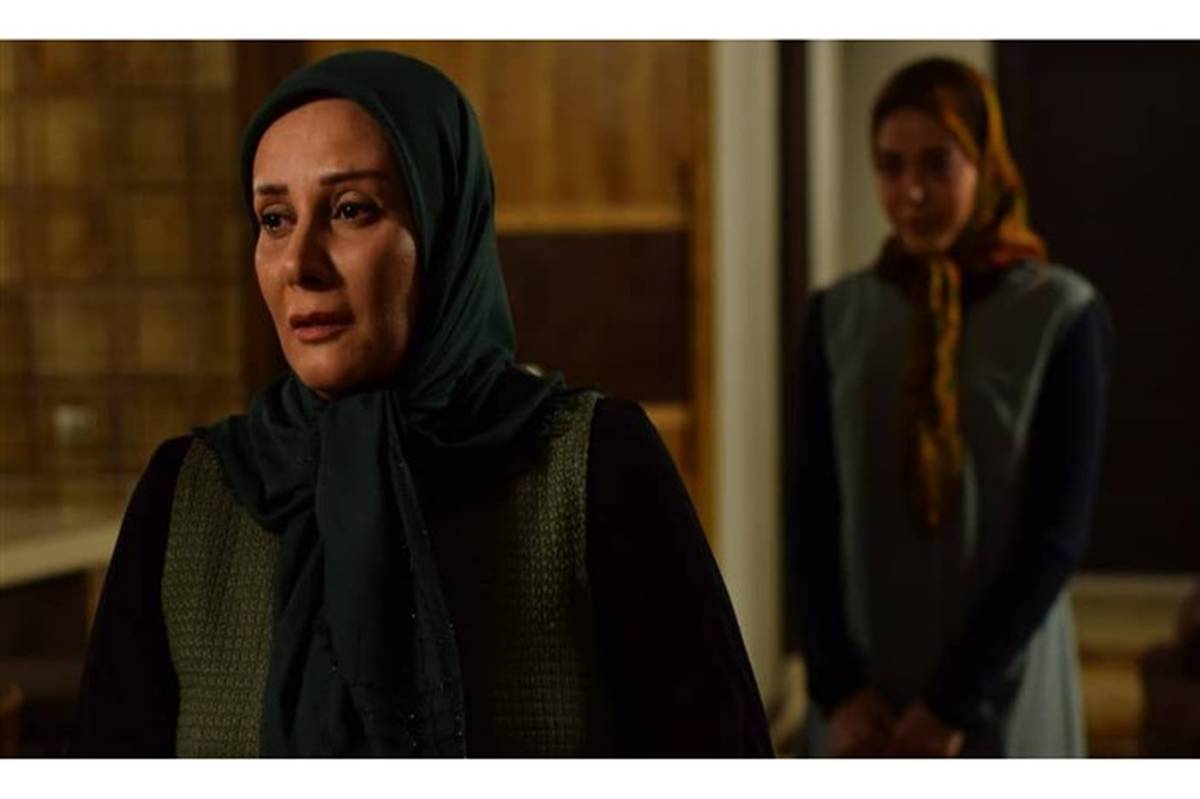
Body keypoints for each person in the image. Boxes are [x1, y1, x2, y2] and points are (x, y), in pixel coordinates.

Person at [70, 50, 771, 757]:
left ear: (444, 226)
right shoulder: (189, 493)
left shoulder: (592, 466)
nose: (299, 264)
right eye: (275, 219)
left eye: (351, 210)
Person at [788, 57, 1110, 757]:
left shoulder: (1059, 314)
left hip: (1000, 682)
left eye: (938, 164)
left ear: (985, 167)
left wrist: (951, 700)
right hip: (864, 694)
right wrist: (837, 687)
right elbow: (811, 510)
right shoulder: (838, 316)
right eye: (890, 166)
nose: (911, 192)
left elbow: (1056, 530)